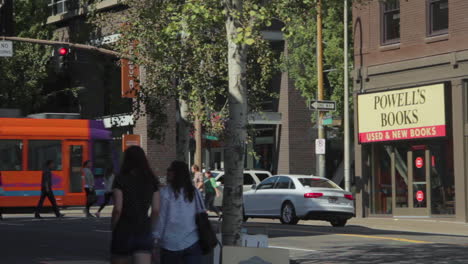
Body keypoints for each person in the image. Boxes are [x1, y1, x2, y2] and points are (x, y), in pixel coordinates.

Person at [111, 146, 160, 264]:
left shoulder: (120, 179)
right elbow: (156, 210)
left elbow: (118, 208)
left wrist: (114, 226)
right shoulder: (152, 180)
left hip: (123, 230)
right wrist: (151, 228)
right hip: (143, 230)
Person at [154, 161, 203, 264]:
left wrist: (156, 237)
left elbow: (161, 219)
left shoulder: (165, 193)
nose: (167, 172)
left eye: (170, 170)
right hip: (192, 241)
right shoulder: (194, 192)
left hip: (170, 244)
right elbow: (201, 213)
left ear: (177, 173)